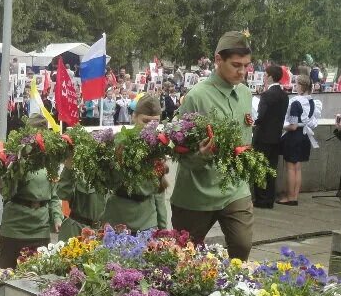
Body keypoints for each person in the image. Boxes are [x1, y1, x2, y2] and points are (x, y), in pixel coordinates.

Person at [170, 31, 254, 261]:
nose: (242, 72)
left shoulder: (246, 93)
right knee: (182, 255)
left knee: (242, 244)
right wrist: (201, 154)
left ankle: (232, 292)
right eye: (236, 65)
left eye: (246, 66)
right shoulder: (196, 96)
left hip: (234, 188)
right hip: (197, 192)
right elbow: (175, 147)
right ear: (218, 60)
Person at [0, 113, 63, 268]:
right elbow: (5, 190)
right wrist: (15, 163)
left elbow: (54, 195)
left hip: (40, 227)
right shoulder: (15, 156)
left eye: (42, 132)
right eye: (35, 132)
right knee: (9, 274)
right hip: (15, 225)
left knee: (36, 273)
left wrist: (57, 217)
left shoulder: (49, 160)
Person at [100, 95, 170, 231]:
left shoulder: (157, 147)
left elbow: (159, 192)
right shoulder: (118, 143)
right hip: (117, 219)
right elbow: (106, 184)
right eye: (145, 121)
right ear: (134, 117)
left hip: (147, 222)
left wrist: (162, 229)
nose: (150, 126)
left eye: (155, 122)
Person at [251, 65, 289, 209]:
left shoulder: (267, 95)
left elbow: (261, 116)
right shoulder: (284, 96)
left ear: (271, 77)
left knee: (259, 167)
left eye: (265, 76)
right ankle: (269, 198)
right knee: (272, 169)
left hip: (262, 137)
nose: (264, 78)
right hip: (276, 136)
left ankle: (260, 199)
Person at [279, 76, 320, 206]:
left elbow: (293, 125)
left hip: (294, 137)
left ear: (302, 86)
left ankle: (290, 198)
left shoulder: (296, 102)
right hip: (304, 137)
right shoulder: (313, 102)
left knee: (291, 168)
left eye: (296, 84)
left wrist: (280, 126)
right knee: (298, 168)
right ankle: (295, 196)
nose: (294, 87)